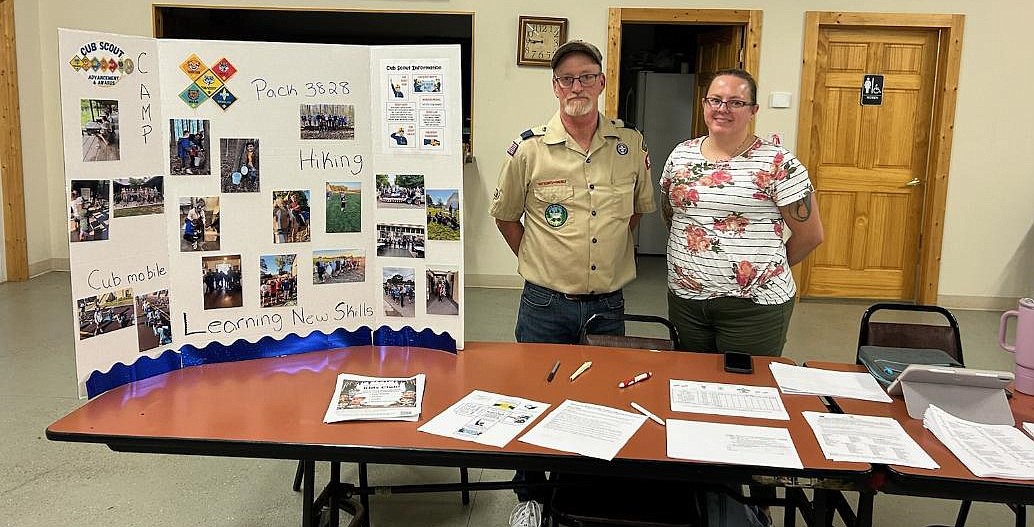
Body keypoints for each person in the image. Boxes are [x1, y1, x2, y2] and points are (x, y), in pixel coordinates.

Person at [489, 40, 655, 527]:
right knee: (532, 396)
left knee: (603, 396)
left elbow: (635, 213)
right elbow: (505, 216)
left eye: (586, 76)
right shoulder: (529, 149)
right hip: (545, 301)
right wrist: (539, 259)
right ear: (555, 87)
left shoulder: (630, 145)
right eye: (566, 79)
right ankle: (532, 497)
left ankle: (585, 491)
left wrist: (602, 258)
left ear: (602, 83)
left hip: (609, 302)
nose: (576, 86)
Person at [660, 68, 823, 358]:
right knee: (689, 383)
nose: (722, 109)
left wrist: (764, 270)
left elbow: (810, 235)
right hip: (687, 302)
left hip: (754, 307)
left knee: (745, 392)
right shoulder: (681, 155)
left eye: (736, 102)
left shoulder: (778, 162)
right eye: (715, 100)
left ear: (753, 110)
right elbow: (671, 215)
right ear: (704, 105)